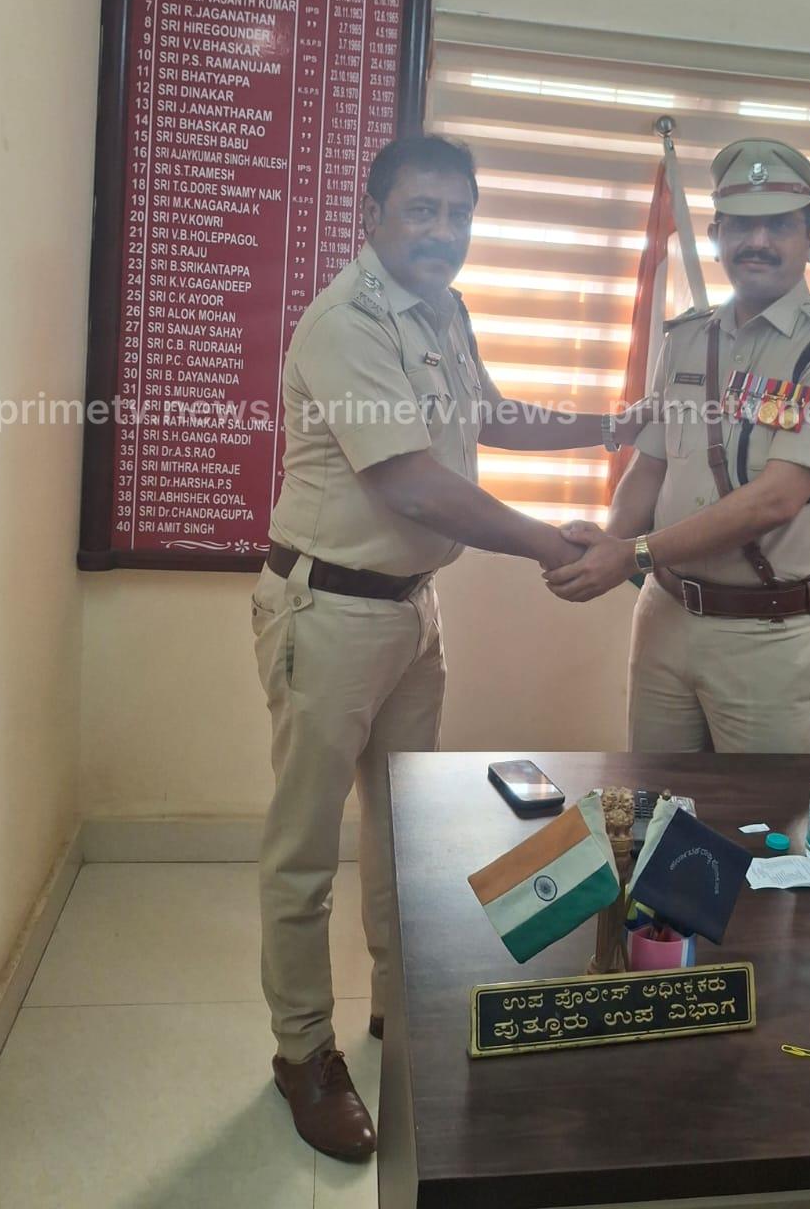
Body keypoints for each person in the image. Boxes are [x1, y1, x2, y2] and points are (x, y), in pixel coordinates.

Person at [251, 133, 647, 1162]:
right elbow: (413, 484)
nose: (442, 231)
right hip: (328, 613)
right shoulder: (345, 322)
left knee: (401, 829)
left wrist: (612, 424)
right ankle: (303, 1052)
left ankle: (398, 1010)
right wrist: (552, 543)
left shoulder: (443, 309)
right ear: (373, 214)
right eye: (422, 210)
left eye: (458, 214)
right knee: (304, 849)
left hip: (410, 610)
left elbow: (489, 413)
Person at [547, 137, 810, 756]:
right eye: (742, 226)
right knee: (655, 799)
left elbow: (774, 500)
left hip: (766, 635)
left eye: (779, 225)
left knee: (761, 814)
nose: (759, 241)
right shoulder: (686, 338)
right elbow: (651, 464)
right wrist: (608, 545)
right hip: (664, 616)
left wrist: (629, 555)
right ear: (716, 236)